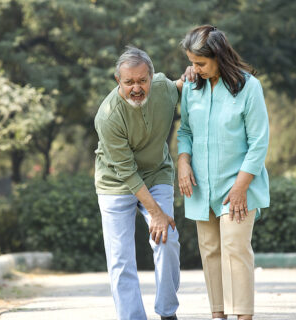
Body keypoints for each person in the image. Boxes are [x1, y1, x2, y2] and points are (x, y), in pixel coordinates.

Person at [177, 25, 270, 320]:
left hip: (238, 185)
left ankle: (243, 316)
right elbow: (186, 131)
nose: (194, 69)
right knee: (210, 251)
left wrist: (241, 186)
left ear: (218, 55)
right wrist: (182, 161)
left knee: (235, 249)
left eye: (200, 63)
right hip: (201, 187)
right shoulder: (192, 87)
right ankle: (218, 315)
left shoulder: (249, 87)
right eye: (192, 62)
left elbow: (259, 141)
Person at [94, 46, 183, 320]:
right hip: (116, 183)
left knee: (167, 240)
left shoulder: (164, 89)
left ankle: (168, 312)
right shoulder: (108, 116)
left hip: (157, 173)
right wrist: (155, 212)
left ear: (152, 77)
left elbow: (181, 85)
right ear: (117, 81)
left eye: (142, 80)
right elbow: (128, 173)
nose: (136, 88)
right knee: (121, 259)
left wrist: (190, 75)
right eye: (129, 82)